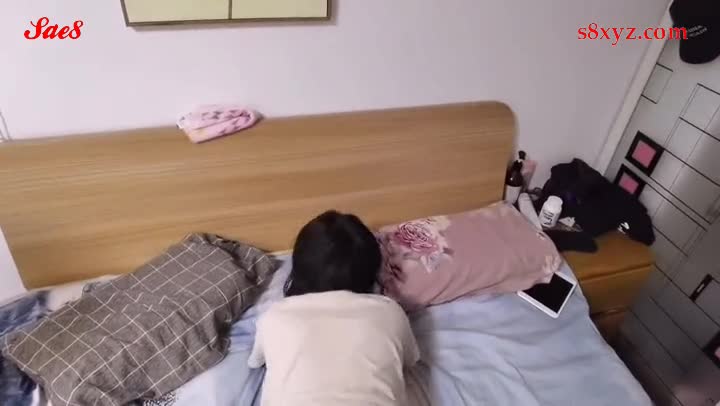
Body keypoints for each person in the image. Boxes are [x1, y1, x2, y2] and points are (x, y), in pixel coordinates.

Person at [248, 210, 420, 406]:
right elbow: (410, 360)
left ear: (300, 269)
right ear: (370, 271)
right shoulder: (390, 312)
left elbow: (255, 361)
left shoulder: (274, 316)